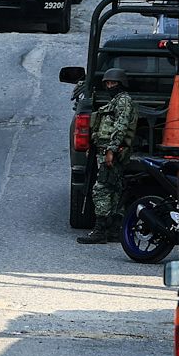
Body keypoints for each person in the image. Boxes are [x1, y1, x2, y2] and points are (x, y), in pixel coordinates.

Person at [76, 69, 136, 246]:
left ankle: (100, 230)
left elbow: (121, 126)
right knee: (114, 189)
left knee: (100, 189)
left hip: (112, 152)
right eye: (108, 83)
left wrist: (111, 149)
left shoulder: (123, 100)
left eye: (113, 83)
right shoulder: (116, 100)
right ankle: (114, 230)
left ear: (121, 84)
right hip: (105, 150)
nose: (110, 86)